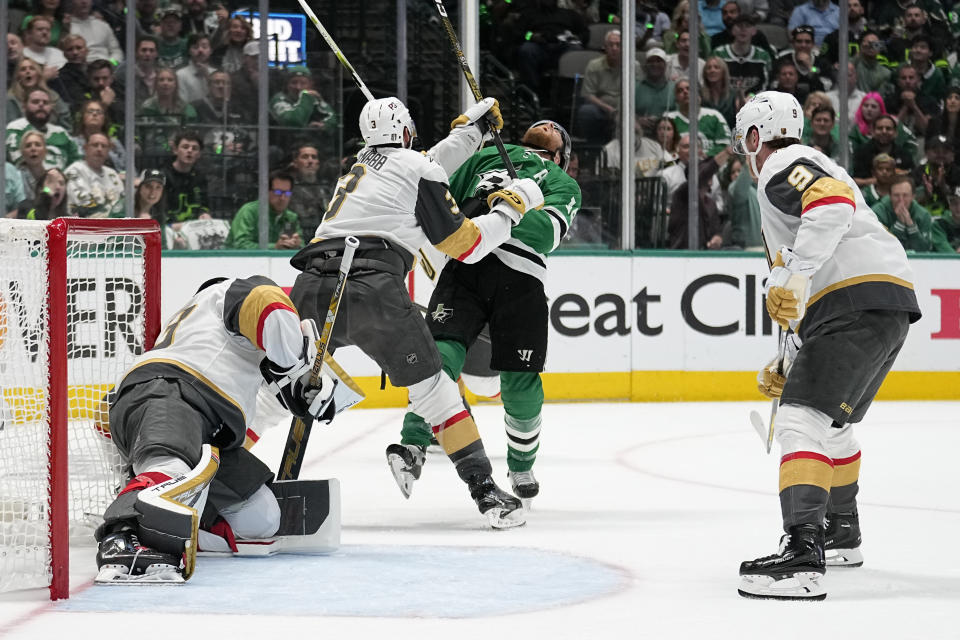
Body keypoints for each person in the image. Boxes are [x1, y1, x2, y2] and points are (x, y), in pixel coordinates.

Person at [288, 96, 542, 528]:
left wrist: (471, 132)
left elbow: (422, 163)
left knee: (274, 390)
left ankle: (208, 470)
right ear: (406, 132)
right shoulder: (417, 167)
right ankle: (486, 493)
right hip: (371, 289)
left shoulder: (358, 168)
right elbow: (466, 244)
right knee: (436, 393)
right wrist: (509, 209)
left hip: (310, 285)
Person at [732, 91, 921, 600]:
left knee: (800, 421)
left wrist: (793, 275)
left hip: (851, 302)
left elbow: (830, 206)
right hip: (884, 300)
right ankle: (841, 534)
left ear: (754, 137)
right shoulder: (810, 163)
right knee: (833, 425)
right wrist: (790, 354)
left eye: (742, 141)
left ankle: (801, 556)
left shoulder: (784, 164)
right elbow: (821, 238)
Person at [92, 275, 345, 582]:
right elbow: (271, 304)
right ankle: (121, 539)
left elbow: (104, 414)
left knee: (261, 519)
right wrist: (299, 370)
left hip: (212, 431)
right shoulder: (229, 292)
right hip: (175, 392)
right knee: (171, 469)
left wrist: (302, 387)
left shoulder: (217, 343)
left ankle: (164, 519)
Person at [393, 118, 579, 512]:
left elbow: (545, 234)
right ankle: (413, 443)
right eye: (539, 123)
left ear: (562, 156)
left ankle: (522, 466)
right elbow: (443, 205)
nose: (546, 124)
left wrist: (499, 211)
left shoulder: (563, 183)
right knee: (440, 356)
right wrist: (499, 208)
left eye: (554, 128)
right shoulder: (489, 154)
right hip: (465, 268)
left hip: (522, 278)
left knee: (520, 377)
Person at [5, 88, 81, 170]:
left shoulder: (61, 133)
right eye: (35, 102)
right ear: (24, 106)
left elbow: (78, 162)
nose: (41, 105)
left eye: (46, 103)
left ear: (51, 108)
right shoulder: (15, 128)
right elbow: (20, 164)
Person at [225, 171, 304, 250]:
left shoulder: (291, 217)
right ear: (266, 192)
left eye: (287, 193)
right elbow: (240, 245)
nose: (282, 198)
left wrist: (297, 246)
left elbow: (303, 247)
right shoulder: (249, 212)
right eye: (278, 192)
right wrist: (275, 247)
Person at [870, 175, 937, 252]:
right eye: (896, 195)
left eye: (905, 195)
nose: (901, 200)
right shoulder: (877, 213)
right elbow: (882, 246)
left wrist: (911, 226)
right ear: (890, 196)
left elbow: (925, 248)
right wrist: (900, 224)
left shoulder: (923, 215)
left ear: (913, 196)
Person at [64, 132, 125, 218]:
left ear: (108, 151)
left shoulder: (112, 174)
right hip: (83, 225)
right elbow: (82, 205)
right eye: (95, 145)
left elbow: (122, 203)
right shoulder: (75, 170)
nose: (99, 149)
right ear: (86, 148)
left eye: (104, 146)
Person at [576, 29, 620, 144]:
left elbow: (638, 92)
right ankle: (594, 146)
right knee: (586, 111)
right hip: (602, 108)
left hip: (627, 109)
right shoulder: (594, 65)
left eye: (618, 45)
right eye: (611, 45)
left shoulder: (634, 66)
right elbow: (588, 95)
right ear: (605, 47)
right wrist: (609, 109)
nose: (614, 48)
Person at [287, 142, 331, 239]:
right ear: (295, 163)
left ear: (318, 164)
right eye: (305, 157)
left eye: (314, 157)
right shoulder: (288, 189)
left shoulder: (326, 189)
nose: (310, 161)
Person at [65, 0, 124, 64]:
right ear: (71, 1)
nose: (84, 1)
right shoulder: (67, 27)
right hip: (81, 67)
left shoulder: (103, 25)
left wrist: (111, 63)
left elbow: (116, 51)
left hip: (107, 66)